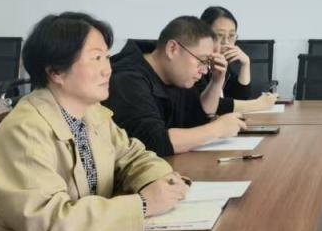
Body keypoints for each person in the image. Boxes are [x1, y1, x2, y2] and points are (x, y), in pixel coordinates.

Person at [0, 13, 189, 231]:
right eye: (95, 58)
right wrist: (142, 205)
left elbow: (132, 156)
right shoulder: (25, 131)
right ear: (55, 72)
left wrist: (161, 181)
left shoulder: (91, 112)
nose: (107, 69)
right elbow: (48, 222)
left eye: (106, 57)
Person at [106, 16, 247, 156]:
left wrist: (216, 81)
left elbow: (197, 121)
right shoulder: (127, 80)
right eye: (202, 60)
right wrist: (216, 130)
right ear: (172, 49)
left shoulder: (177, 75)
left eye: (207, 63)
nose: (205, 71)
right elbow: (153, 142)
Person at [198, 5, 278, 113]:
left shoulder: (222, 63)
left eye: (231, 36)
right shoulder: (197, 66)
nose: (226, 42)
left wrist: (245, 64)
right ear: (203, 35)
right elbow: (211, 105)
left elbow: (240, 97)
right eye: (220, 35)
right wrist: (258, 104)